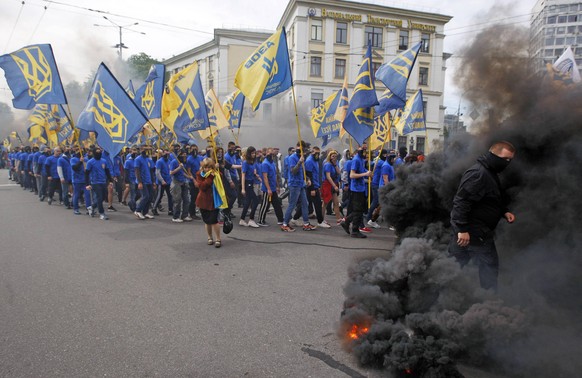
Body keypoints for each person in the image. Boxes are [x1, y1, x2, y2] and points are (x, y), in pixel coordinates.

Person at [448, 141, 517, 292]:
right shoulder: (478, 174)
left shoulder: (490, 172)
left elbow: (490, 199)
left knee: (454, 266)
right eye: (505, 159)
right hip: (472, 233)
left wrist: (503, 211)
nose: (507, 163)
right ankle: (489, 302)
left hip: (477, 232)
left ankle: (435, 298)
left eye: (510, 160)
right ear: (493, 155)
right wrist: (462, 229)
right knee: (488, 267)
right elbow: (461, 201)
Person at [281, 141, 317, 232]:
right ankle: (285, 224)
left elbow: (302, 171)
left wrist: (307, 179)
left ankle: (306, 223)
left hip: (301, 184)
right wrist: (299, 162)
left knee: (306, 203)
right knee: (292, 204)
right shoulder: (292, 158)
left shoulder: (301, 157)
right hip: (294, 184)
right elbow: (293, 171)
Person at [341, 143, 372, 238]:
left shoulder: (361, 160)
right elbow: (352, 175)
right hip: (356, 189)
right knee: (358, 210)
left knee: (359, 210)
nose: (365, 151)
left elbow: (362, 171)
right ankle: (354, 230)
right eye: (364, 149)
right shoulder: (356, 160)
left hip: (360, 188)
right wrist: (365, 174)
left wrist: (368, 173)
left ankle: (346, 222)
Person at [196, 157, 222, 248]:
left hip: (214, 200)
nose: (207, 169)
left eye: (209, 167)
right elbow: (202, 186)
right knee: (207, 221)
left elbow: (221, 182)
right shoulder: (200, 175)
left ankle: (218, 238)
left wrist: (217, 172)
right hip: (203, 200)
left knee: (214, 220)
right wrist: (210, 177)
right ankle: (209, 237)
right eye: (205, 167)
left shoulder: (216, 174)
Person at [257, 147, 284, 226]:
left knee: (277, 205)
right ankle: (260, 220)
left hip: (273, 188)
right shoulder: (265, 163)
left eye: (272, 154)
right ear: (266, 154)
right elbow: (265, 177)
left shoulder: (272, 163)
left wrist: (277, 186)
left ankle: (281, 219)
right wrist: (268, 189)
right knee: (265, 205)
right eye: (269, 153)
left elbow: (274, 176)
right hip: (267, 189)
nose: (271, 155)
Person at [85, 147, 112, 220]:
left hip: (103, 181)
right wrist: (87, 184)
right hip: (95, 182)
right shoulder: (90, 162)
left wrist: (111, 180)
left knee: (103, 197)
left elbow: (107, 171)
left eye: (100, 152)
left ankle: (92, 207)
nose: (99, 154)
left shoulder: (104, 161)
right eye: (97, 152)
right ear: (94, 153)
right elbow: (86, 173)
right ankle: (102, 213)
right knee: (99, 197)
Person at [240, 146, 261, 228]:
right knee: (255, 200)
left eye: (254, 153)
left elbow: (253, 173)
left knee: (248, 202)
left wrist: (257, 176)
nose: (254, 154)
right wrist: (243, 188)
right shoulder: (245, 163)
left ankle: (242, 219)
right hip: (247, 183)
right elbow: (243, 175)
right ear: (249, 153)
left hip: (252, 182)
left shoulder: (253, 162)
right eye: (252, 153)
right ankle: (251, 219)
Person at [169, 150, 192, 223]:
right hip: (176, 183)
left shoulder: (185, 162)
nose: (185, 156)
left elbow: (182, 173)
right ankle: (175, 216)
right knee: (177, 200)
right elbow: (171, 173)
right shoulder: (174, 162)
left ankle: (184, 215)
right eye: (183, 154)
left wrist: (188, 176)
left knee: (186, 200)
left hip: (184, 182)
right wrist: (179, 168)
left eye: (185, 154)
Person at [321, 150, 343, 225]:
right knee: (325, 202)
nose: (334, 158)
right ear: (329, 157)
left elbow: (339, 172)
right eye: (333, 156)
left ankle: (338, 219)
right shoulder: (327, 164)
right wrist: (334, 186)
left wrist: (335, 165)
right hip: (327, 184)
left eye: (336, 156)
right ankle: (321, 219)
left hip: (334, 183)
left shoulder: (335, 164)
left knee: (336, 202)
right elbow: (328, 176)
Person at [134, 147, 155, 220]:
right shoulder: (138, 159)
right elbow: (137, 171)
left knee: (150, 197)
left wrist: (153, 182)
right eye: (144, 149)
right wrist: (139, 182)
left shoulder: (148, 159)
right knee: (145, 196)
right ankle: (138, 210)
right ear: (140, 150)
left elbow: (151, 171)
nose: (145, 151)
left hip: (149, 181)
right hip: (142, 181)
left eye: (147, 149)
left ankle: (145, 212)